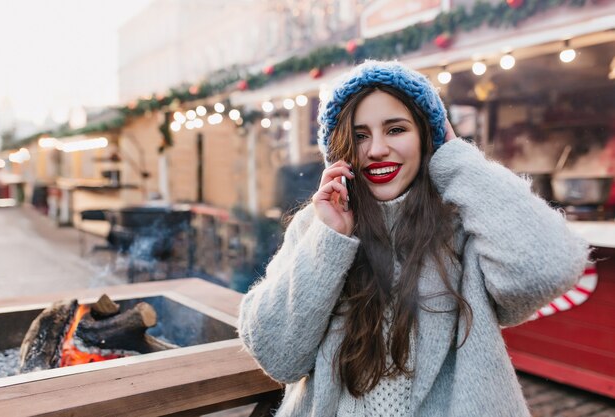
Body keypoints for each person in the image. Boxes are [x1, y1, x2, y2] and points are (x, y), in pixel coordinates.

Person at [238, 60, 589, 417]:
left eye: (396, 129)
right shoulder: (318, 226)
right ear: (341, 148)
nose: (376, 149)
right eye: (360, 135)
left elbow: (549, 268)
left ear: (426, 137)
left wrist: (457, 160)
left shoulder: (463, 223)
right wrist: (329, 241)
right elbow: (277, 355)